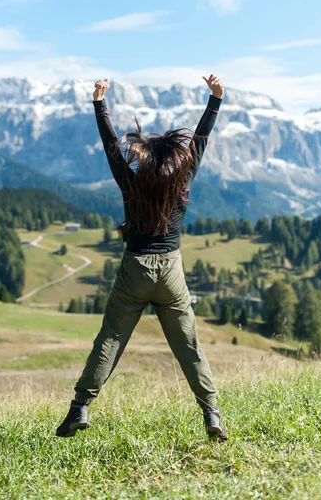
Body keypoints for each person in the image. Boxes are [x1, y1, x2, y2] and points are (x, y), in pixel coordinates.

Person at [56, 74, 227, 441]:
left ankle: (80, 407)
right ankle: (211, 413)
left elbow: (111, 149)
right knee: (188, 345)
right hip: (170, 272)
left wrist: (99, 104)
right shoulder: (182, 183)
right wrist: (215, 101)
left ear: (145, 163)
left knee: (109, 340)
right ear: (176, 163)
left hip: (134, 270)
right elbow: (200, 141)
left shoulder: (131, 184)